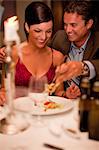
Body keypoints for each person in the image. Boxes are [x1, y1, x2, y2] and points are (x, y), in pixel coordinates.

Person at [0, 1, 81, 105]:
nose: (43, 37)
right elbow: (4, 89)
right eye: (38, 31)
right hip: (19, 114)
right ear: (27, 27)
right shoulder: (12, 54)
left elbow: (58, 93)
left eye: (48, 31)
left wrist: (67, 95)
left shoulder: (57, 57)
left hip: (45, 115)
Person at [49, 0, 99, 85]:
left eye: (73, 25)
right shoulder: (59, 37)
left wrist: (83, 67)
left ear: (89, 24)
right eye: (65, 24)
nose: (67, 30)